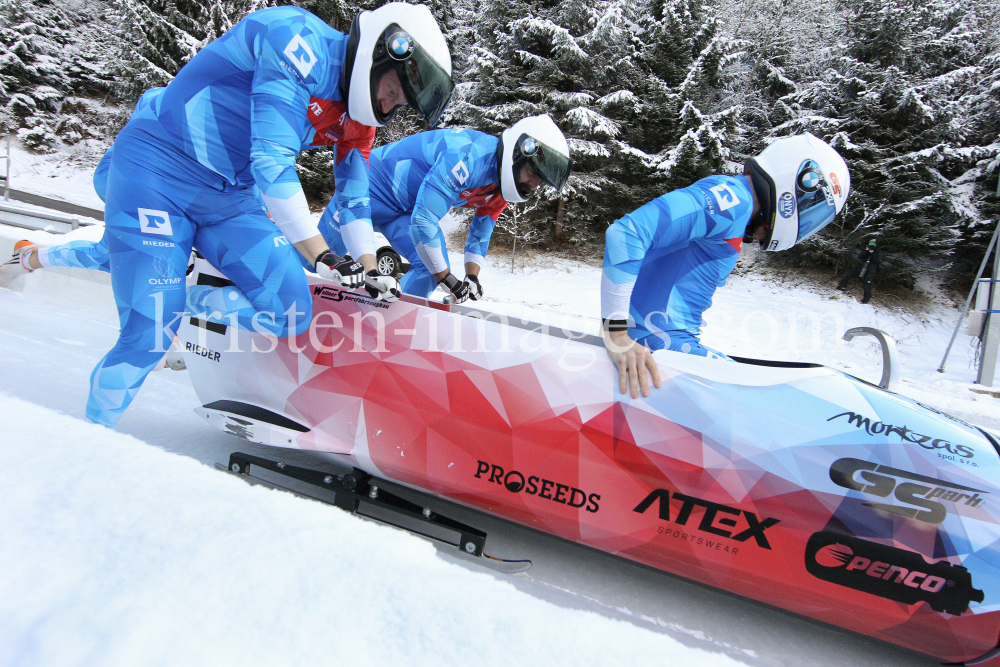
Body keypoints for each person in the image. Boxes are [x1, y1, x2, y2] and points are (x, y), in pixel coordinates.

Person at [3, 4, 454, 429]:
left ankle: (184, 299)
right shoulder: (295, 39)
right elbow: (271, 161)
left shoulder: (361, 123)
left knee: (293, 310)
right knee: (147, 331)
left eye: (397, 104)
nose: (388, 106)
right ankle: (85, 438)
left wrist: (371, 267)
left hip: (229, 197)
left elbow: (354, 199)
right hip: (157, 170)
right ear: (378, 56)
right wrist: (321, 254)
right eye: (391, 92)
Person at [601, 132, 852, 398]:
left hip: (669, 344)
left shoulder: (736, 205)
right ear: (799, 183)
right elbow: (626, 233)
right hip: (662, 347)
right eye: (811, 208)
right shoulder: (732, 200)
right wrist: (616, 334)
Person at [317, 115, 571, 302]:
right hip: (367, 190)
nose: (535, 184)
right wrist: (448, 279)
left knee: (429, 269)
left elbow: (480, 234)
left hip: (404, 211)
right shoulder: (468, 156)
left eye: (542, 181)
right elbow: (423, 223)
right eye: (533, 173)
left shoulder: (506, 186)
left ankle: (383, 322)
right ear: (517, 155)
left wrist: (471, 276)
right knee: (318, 263)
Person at [837, 238, 882, 303]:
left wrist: (873, 253)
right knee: (847, 274)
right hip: (861, 267)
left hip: (870, 270)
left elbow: (878, 260)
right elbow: (860, 257)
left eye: (872, 245)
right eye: (870, 245)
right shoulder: (867, 250)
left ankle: (866, 299)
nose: (871, 246)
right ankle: (841, 287)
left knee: (867, 284)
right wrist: (866, 251)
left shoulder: (878, 251)